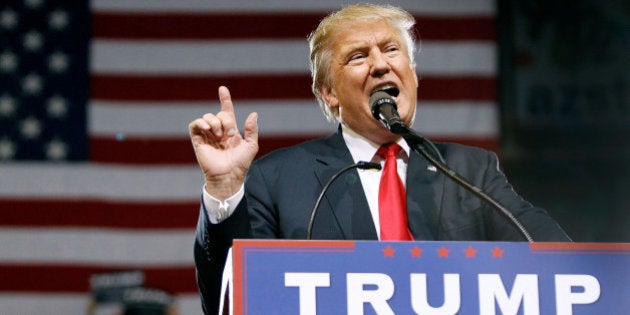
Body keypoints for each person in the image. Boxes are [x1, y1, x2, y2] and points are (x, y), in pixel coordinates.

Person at [188, 4, 570, 314]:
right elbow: (231, 296)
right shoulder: (278, 178)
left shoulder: (470, 170)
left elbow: (560, 263)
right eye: (358, 56)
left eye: (391, 49)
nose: (380, 64)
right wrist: (224, 188)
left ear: (414, 75)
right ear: (329, 94)